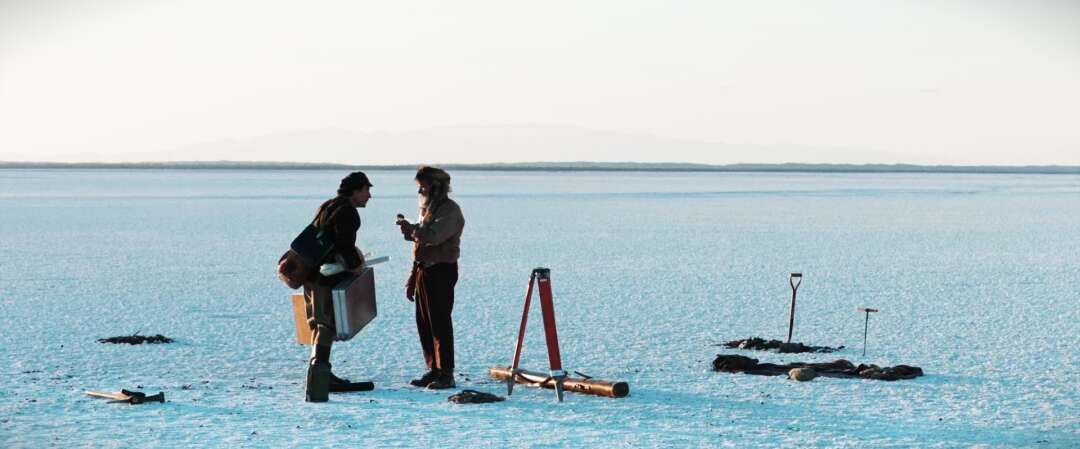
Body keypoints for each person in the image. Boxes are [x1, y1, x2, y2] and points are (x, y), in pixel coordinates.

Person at [303, 171, 372, 402]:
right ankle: (320, 376)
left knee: (318, 323)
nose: (369, 196)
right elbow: (344, 245)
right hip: (325, 276)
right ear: (355, 190)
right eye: (366, 190)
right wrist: (355, 265)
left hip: (311, 273)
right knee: (326, 325)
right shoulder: (347, 212)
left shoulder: (328, 205)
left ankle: (321, 372)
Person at [396, 166, 465, 389]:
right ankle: (434, 369)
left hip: (441, 271)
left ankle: (446, 373)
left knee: (439, 322)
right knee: (425, 322)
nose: (420, 192)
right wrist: (412, 276)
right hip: (424, 270)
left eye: (423, 187)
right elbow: (423, 240)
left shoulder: (450, 210)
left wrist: (413, 230)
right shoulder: (429, 209)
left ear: (435, 187)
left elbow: (434, 237)